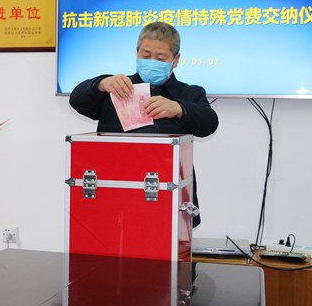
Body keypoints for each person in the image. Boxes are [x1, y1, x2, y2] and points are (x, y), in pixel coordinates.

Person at [69, 21, 218, 227]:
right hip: (116, 194)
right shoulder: (118, 88)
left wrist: (179, 108)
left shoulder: (189, 93)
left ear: (175, 60)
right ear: (137, 53)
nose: (152, 62)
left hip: (169, 197)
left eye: (161, 58)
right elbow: (77, 100)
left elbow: (209, 124)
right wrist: (101, 84)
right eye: (146, 55)